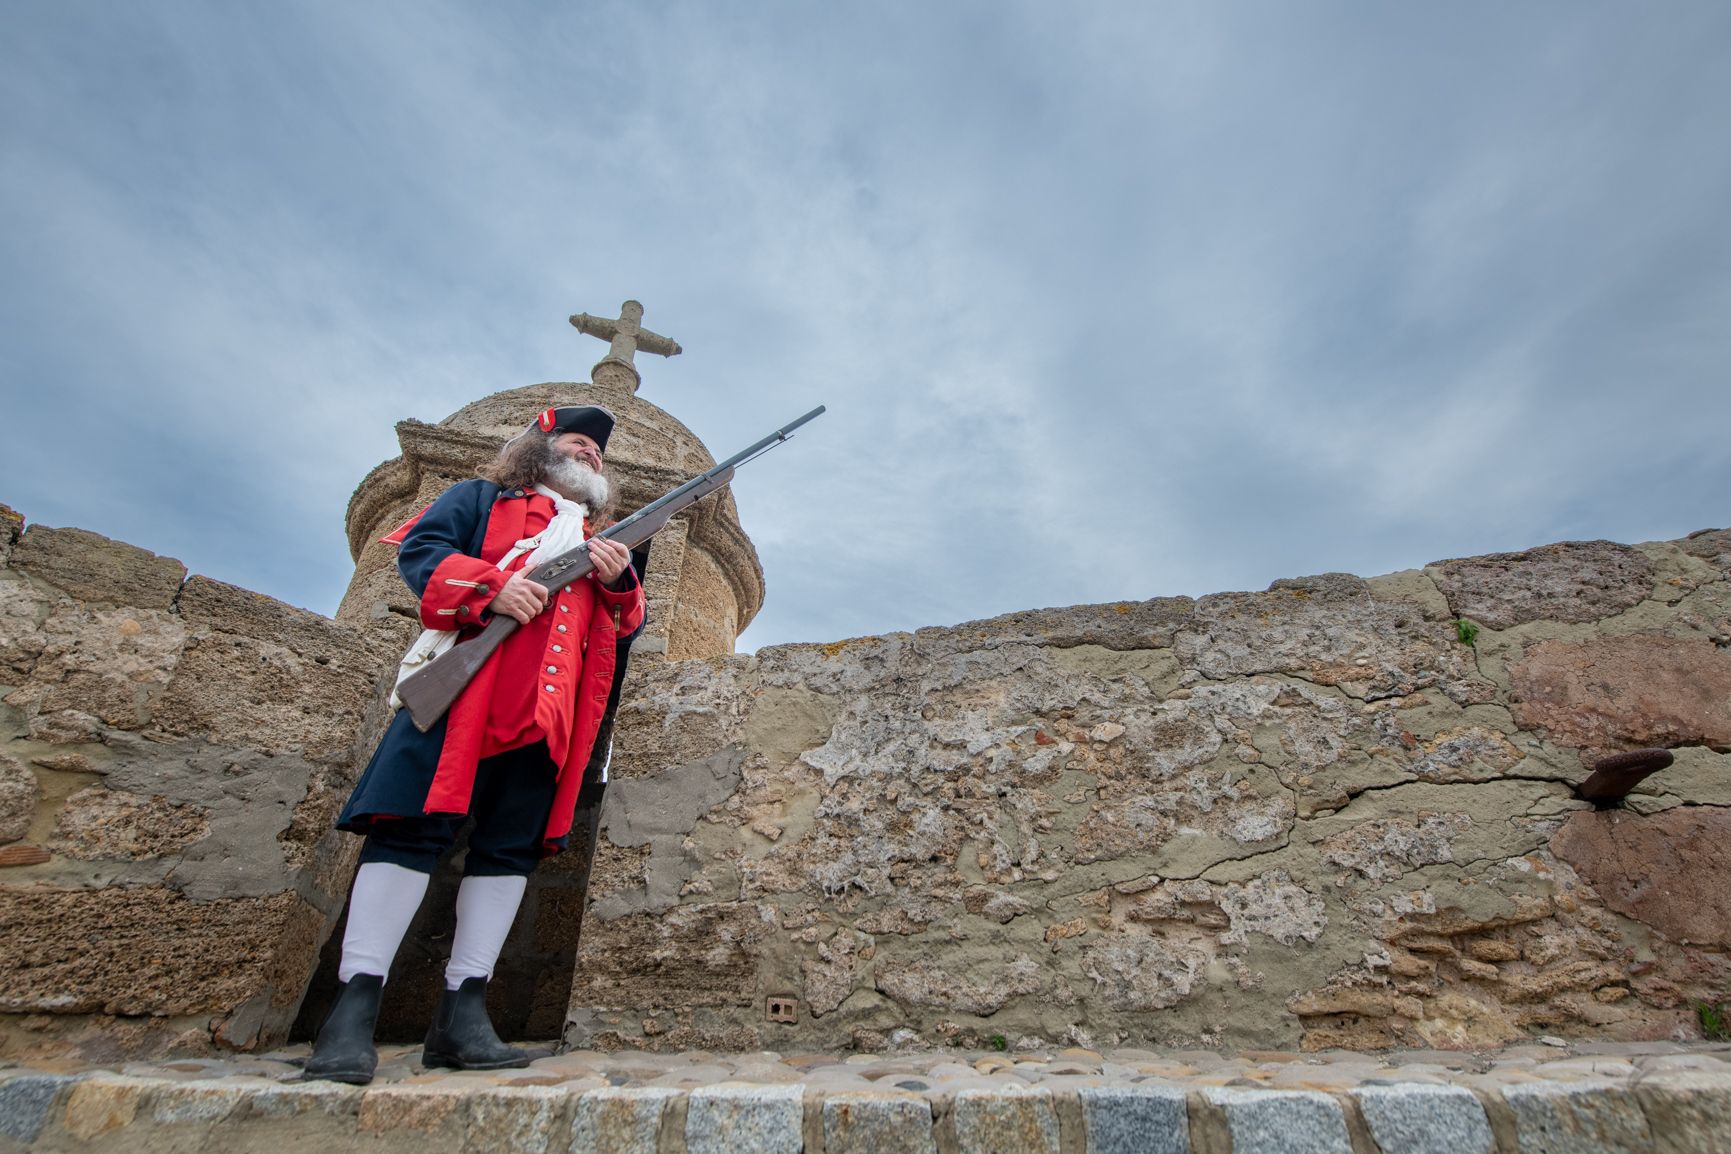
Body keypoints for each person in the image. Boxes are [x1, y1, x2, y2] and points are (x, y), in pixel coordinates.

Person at [304, 405, 646, 1084]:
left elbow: (619, 632)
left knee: (508, 852)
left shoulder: (597, 539)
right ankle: (351, 1012)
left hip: (549, 720)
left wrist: (617, 582)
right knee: (408, 833)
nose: (593, 456)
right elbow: (422, 553)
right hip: (465, 699)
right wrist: (495, 589)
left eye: (599, 454)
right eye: (578, 445)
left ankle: (463, 1015)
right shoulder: (481, 500)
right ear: (539, 452)